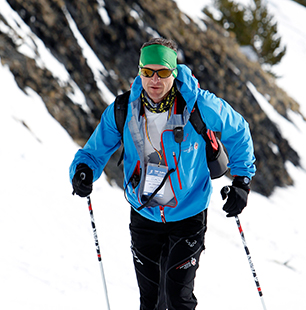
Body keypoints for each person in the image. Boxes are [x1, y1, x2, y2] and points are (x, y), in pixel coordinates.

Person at [69, 37, 256, 310]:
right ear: (139, 71)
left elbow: (239, 131)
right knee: (151, 300)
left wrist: (242, 181)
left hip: (188, 214)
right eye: (147, 72)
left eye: (163, 72)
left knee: (177, 297)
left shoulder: (199, 106)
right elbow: (93, 152)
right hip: (144, 215)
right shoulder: (123, 110)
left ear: (174, 72)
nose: (154, 80)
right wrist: (83, 170)